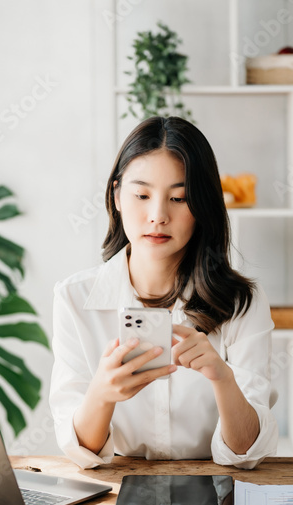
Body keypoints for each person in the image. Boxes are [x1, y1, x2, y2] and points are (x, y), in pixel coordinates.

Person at [49, 116, 278, 470]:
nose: (157, 216)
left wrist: (222, 377)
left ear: (202, 206)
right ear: (117, 196)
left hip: (220, 494)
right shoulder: (75, 299)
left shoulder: (242, 302)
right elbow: (82, 453)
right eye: (141, 195)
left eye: (179, 198)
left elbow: (246, 453)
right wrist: (102, 394)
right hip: (116, 497)